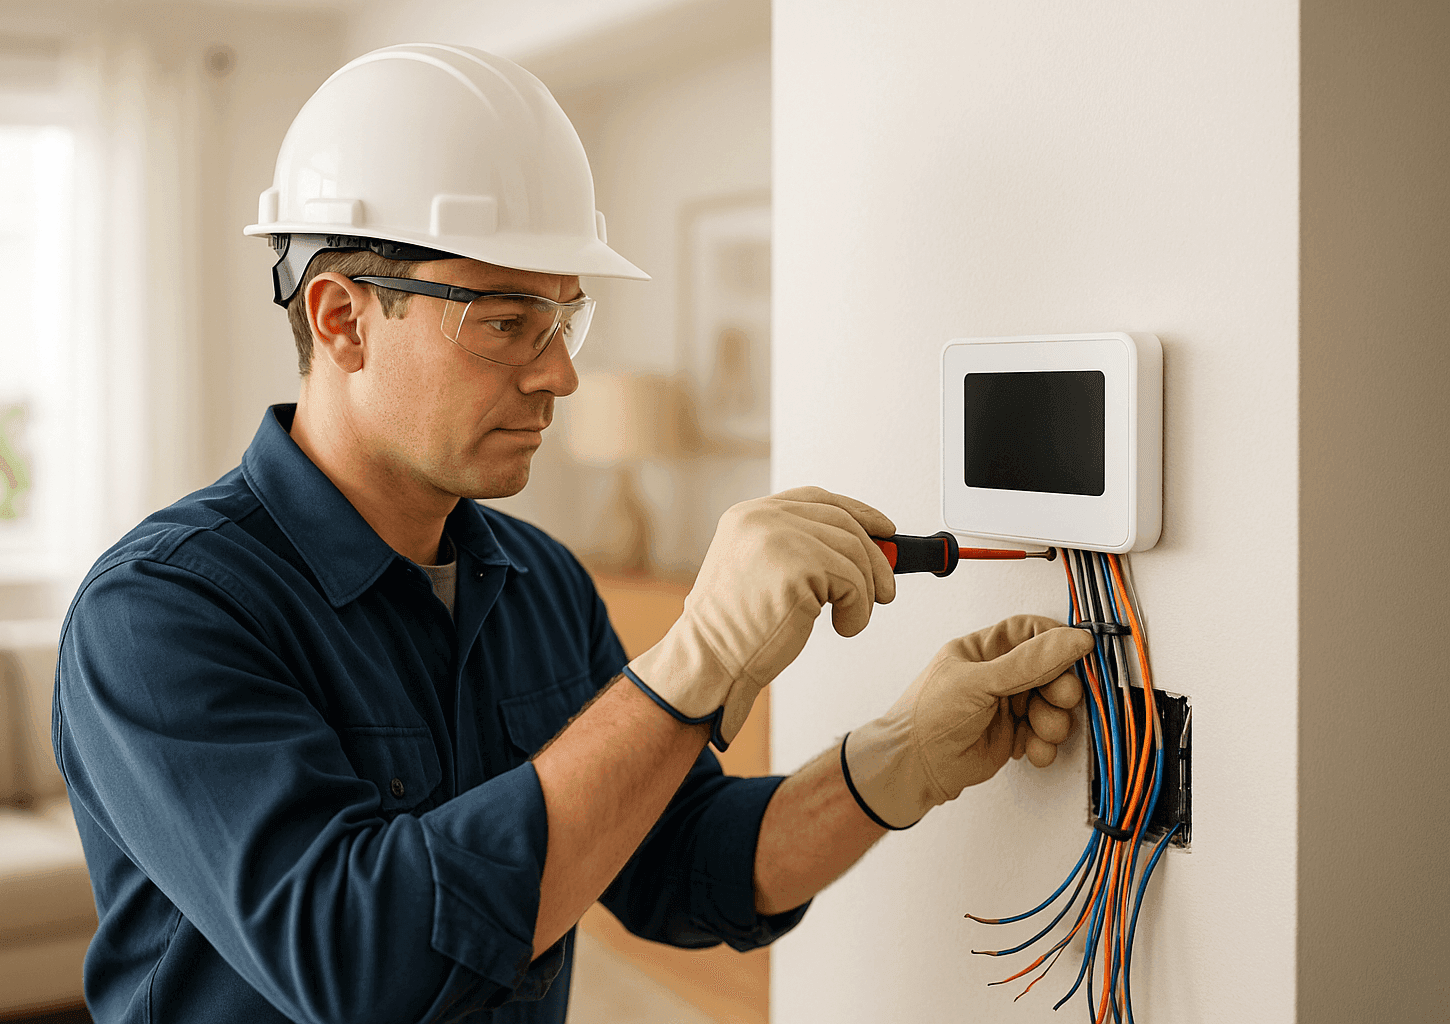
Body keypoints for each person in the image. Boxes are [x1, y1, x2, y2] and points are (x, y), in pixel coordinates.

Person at [53, 44, 1093, 1024]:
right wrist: (698, 657)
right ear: (340, 318)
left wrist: (905, 752)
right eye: (506, 323)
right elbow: (357, 962)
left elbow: (685, 865)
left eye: (566, 319)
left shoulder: (539, 581)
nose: (560, 374)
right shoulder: (158, 615)